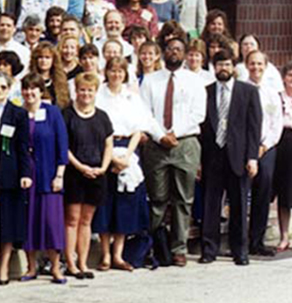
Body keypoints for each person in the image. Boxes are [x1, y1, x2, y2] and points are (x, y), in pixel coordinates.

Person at [140, 38, 207, 266]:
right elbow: (144, 113)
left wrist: (174, 133)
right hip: (157, 145)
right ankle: (153, 247)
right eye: (169, 49)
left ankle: (179, 248)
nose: (173, 52)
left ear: (185, 54)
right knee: (157, 198)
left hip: (185, 143)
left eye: (178, 49)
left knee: (183, 199)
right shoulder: (150, 81)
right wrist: (160, 136)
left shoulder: (195, 81)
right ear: (163, 52)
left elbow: (198, 114)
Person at [199, 50, 261, 266]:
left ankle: (240, 250)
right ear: (214, 67)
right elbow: (201, 126)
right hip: (213, 155)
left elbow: (254, 127)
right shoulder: (205, 92)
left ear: (234, 66)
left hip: (239, 156)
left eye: (226, 64)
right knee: (211, 204)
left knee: (239, 204)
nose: (223, 68)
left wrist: (252, 157)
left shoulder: (248, 92)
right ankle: (209, 249)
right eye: (219, 65)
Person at [92, 59, 151, 271]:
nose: (116, 75)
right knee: (105, 205)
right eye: (112, 70)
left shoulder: (132, 98)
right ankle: (105, 255)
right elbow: (96, 127)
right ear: (106, 72)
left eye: (120, 71)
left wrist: (127, 156)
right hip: (105, 149)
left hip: (128, 151)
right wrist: (111, 159)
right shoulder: (99, 96)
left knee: (125, 205)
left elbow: (139, 129)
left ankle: (118, 254)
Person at [18, 73, 68, 283]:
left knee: (51, 223)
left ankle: (56, 268)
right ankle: (31, 268)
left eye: (34, 89)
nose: (30, 93)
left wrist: (59, 175)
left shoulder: (52, 112)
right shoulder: (19, 115)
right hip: (28, 178)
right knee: (29, 222)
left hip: (49, 176)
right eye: (26, 89)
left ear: (41, 91)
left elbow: (62, 145)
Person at [63, 72, 113, 279]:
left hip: (97, 173)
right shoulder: (67, 115)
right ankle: (71, 263)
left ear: (95, 92)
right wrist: (80, 166)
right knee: (72, 219)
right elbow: (63, 147)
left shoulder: (102, 116)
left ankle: (83, 263)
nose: (85, 94)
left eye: (89, 90)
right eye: (82, 89)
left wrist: (103, 167)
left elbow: (108, 143)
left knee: (86, 220)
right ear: (76, 91)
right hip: (74, 172)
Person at [0, 72, 32, 283]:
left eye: (3, 87)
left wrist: (25, 173)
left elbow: (23, 147)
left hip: (9, 171)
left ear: (9, 88)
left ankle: (4, 265)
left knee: (7, 220)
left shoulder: (18, 113)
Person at [243, 51, 283, 257]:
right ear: (245, 65)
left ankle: (256, 241)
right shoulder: (240, 89)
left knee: (262, 194)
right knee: (240, 195)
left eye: (259, 64)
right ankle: (239, 241)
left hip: (266, 148)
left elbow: (276, 124)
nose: (255, 67)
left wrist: (264, 146)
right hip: (243, 149)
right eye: (252, 63)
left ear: (265, 66)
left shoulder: (271, 93)